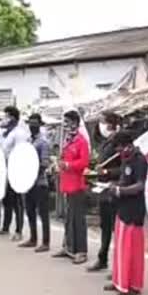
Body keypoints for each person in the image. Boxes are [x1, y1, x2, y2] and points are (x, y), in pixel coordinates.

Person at [106, 129, 148, 295]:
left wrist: (120, 190)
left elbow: (140, 185)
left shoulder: (140, 161)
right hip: (123, 208)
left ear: (128, 145)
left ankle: (133, 285)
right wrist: (113, 186)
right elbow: (124, 179)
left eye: (120, 148)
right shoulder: (126, 159)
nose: (118, 152)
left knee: (132, 249)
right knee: (120, 247)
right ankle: (119, 280)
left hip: (134, 210)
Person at [53, 110, 90, 264]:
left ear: (75, 122)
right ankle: (68, 246)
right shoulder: (67, 140)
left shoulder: (81, 141)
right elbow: (63, 158)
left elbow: (84, 163)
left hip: (77, 185)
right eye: (64, 122)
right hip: (66, 184)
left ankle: (81, 251)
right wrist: (58, 164)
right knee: (68, 218)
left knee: (78, 219)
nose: (65, 125)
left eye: (68, 122)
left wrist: (68, 165)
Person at [86, 112, 121, 272]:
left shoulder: (119, 142)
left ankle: (118, 266)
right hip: (103, 190)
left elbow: (123, 168)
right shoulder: (107, 142)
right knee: (105, 227)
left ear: (111, 124)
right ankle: (103, 258)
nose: (100, 125)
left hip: (114, 190)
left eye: (102, 121)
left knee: (116, 229)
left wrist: (106, 172)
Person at [0, 106, 28, 241]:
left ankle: (19, 231)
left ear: (12, 118)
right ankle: (6, 227)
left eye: (6, 116)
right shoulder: (7, 132)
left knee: (17, 201)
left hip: (15, 168)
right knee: (6, 199)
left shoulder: (19, 133)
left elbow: (20, 152)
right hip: (5, 168)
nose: (4, 119)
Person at [20, 113, 51, 253]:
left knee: (43, 213)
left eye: (35, 123)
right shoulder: (27, 141)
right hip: (28, 183)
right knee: (30, 211)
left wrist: (32, 172)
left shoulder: (43, 142)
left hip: (40, 182)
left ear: (40, 124)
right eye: (30, 123)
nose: (32, 126)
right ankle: (33, 238)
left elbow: (44, 163)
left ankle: (46, 242)